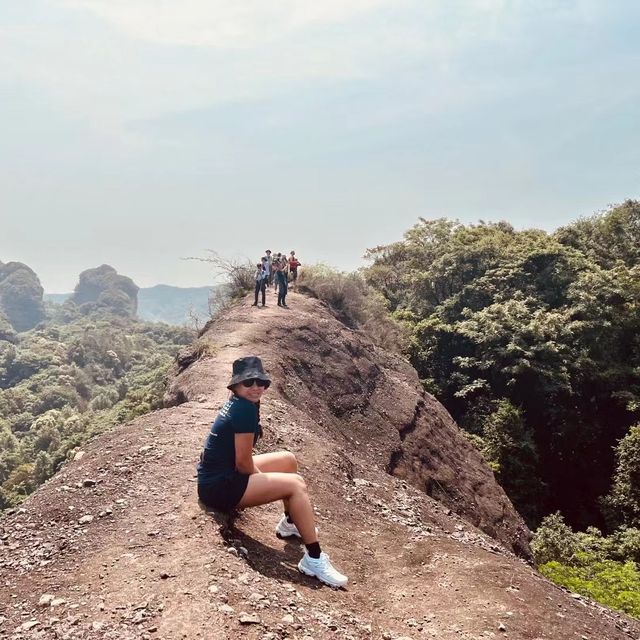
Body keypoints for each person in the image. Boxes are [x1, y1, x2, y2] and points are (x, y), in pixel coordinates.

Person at [197, 356, 348, 588]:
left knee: (287, 460)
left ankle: (290, 523)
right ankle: (314, 559)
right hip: (220, 486)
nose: (256, 387)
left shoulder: (241, 403)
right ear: (236, 386)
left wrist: (266, 481)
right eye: (248, 383)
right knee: (295, 484)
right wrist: (267, 483)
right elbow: (244, 464)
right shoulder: (244, 410)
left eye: (260, 382)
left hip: (218, 475)